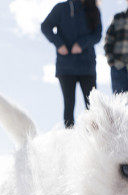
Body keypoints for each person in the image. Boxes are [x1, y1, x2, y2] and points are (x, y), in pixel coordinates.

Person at [41, 0, 102, 128]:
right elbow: (45, 26)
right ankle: (70, 138)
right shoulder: (61, 8)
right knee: (69, 105)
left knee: (92, 105)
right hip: (66, 67)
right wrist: (59, 44)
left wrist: (82, 44)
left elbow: (97, 35)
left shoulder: (93, 9)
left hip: (87, 66)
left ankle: (95, 139)